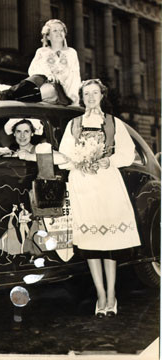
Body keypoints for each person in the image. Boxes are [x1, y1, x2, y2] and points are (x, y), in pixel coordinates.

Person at [58, 78, 141, 318]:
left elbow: (127, 153)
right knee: (91, 243)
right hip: (83, 186)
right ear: (82, 98)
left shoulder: (114, 123)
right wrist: (77, 160)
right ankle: (100, 295)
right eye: (87, 94)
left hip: (107, 184)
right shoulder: (73, 124)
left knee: (109, 244)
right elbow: (65, 155)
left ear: (102, 95)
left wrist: (110, 160)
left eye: (95, 93)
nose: (91, 98)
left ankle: (112, 295)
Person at [27, 19, 81, 105]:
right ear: (48, 36)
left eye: (61, 30)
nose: (59, 32)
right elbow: (33, 71)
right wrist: (48, 75)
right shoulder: (42, 52)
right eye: (55, 30)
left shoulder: (71, 53)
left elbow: (75, 77)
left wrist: (74, 99)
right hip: (46, 93)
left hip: (65, 95)